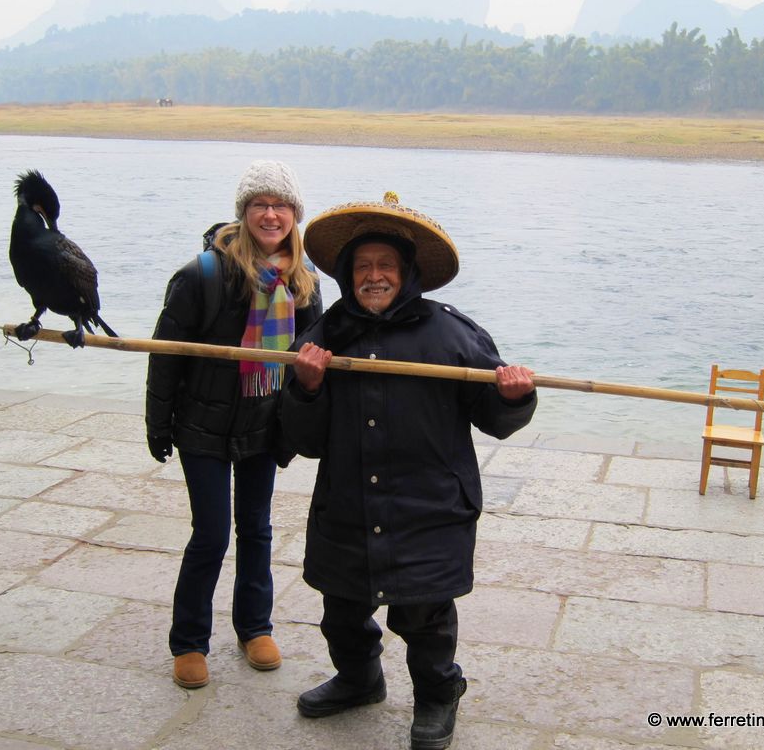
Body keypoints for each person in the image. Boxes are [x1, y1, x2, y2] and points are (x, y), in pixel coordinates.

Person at [281, 192, 537, 750]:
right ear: (349, 276)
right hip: (347, 504)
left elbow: (496, 420)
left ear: (407, 273)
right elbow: (304, 439)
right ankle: (359, 679)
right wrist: (307, 387)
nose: (375, 277)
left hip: (430, 507)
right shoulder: (324, 337)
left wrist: (515, 398)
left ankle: (438, 696)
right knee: (342, 610)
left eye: (386, 266)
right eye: (364, 267)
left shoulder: (452, 336)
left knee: (425, 618)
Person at [145, 160, 322, 689]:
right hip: (201, 425)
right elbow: (165, 356)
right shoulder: (203, 274)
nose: (270, 214)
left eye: (280, 205)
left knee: (258, 529)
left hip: (262, 428)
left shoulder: (306, 284)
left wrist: (296, 429)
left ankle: (254, 628)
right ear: (242, 214)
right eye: (259, 205)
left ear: (295, 214)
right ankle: (190, 641)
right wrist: (158, 425)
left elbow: (310, 367)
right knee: (211, 533)